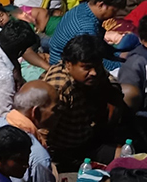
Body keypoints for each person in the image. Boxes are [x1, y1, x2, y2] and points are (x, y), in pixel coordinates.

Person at [42, 34, 126, 170]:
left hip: (88, 133)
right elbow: (42, 133)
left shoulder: (93, 71)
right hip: (65, 149)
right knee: (122, 160)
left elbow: (109, 80)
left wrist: (114, 100)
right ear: (69, 64)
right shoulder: (59, 89)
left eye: (96, 67)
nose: (93, 73)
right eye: (86, 68)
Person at [47, 0, 127, 69]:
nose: (114, 15)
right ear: (101, 5)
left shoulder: (82, 8)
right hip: (65, 65)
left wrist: (119, 54)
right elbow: (93, 60)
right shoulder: (86, 27)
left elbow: (100, 45)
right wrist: (125, 66)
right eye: (114, 11)